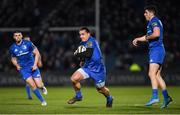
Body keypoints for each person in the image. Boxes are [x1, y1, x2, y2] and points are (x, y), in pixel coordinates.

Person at [132, 5, 172, 108]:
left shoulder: (154, 20)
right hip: (158, 50)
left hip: (156, 50)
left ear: (151, 13)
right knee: (157, 75)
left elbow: (156, 34)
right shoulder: (153, 22)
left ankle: (155, 96)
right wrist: (137, 39)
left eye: (145, 12)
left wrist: (148, 37)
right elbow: (149, 36)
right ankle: (166, 97)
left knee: (151, 73)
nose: (144, 14)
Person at [67, 27, 113, 108]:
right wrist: (82, 60)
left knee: (100, 89)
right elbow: (84, 55)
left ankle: (109, 98)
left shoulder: (91, 41)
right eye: (80, 35)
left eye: (83, 34)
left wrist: (77, 54)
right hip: (87, 67)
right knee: (73, 79)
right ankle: (78, 96)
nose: (81, 36)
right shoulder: (82, 43)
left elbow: (88, 53)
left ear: (88, 34)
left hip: (98, 69)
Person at [9, 31, 47, 106]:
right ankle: (42, 101)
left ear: (21, 36)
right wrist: (16, 65)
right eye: (15, 35)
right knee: (32, 85)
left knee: (39, 85)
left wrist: (35, 64)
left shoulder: (28, 43)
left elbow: (37, 53)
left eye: (19, 35)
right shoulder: (12, 48)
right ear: (13, 37)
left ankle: (42, 87)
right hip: (23, 69)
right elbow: (13, 58)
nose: (17, 36)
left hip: (32, 66)